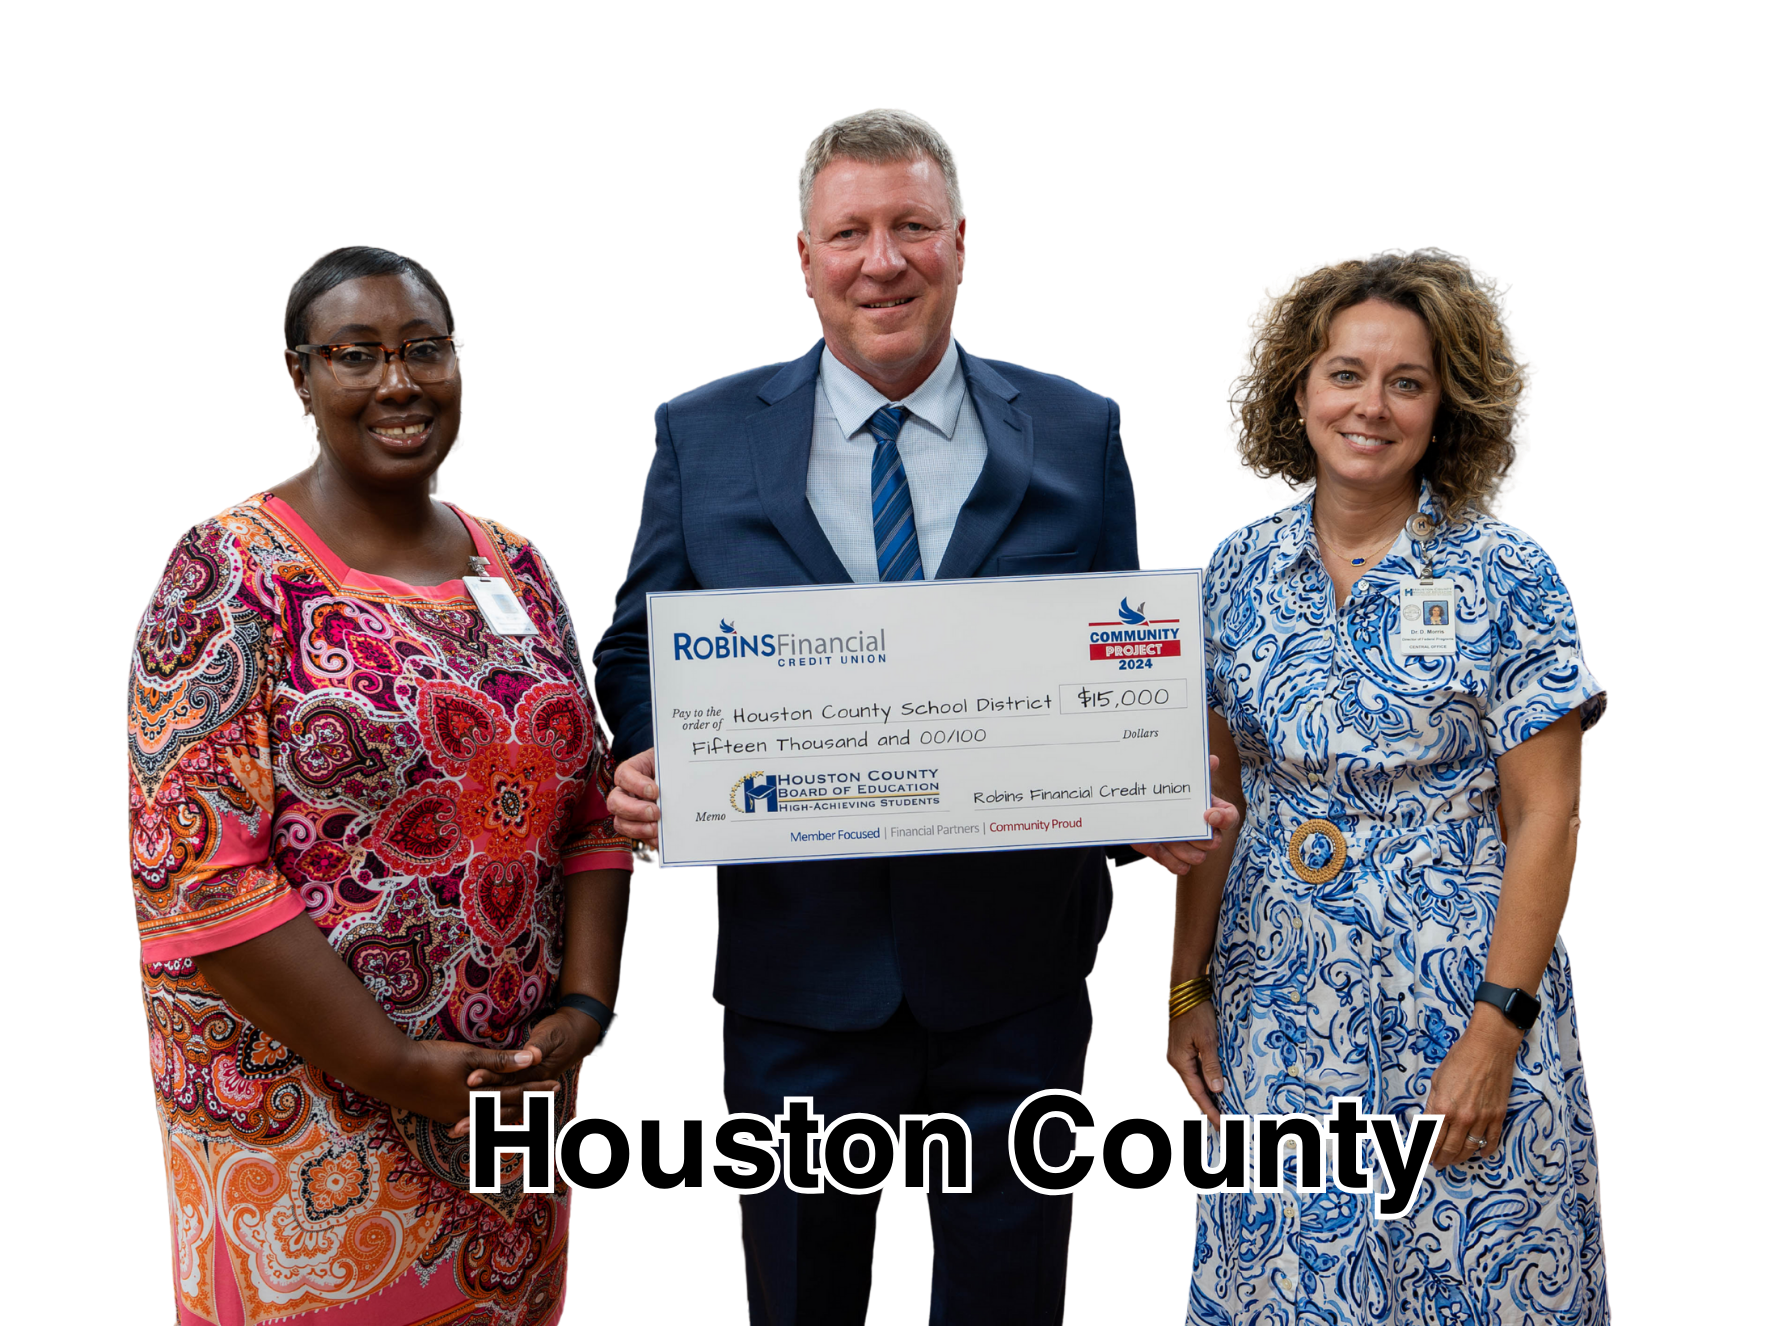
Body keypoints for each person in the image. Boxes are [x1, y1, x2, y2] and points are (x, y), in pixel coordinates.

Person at [592, 107, 1234, 1322]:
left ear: (959, 242)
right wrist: (649, 756)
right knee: (803, 1301)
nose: (881, 261)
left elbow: (1121, 657)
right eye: (850, 233)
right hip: (792, 971)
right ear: (803, 256)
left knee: (1007, 1301)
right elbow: (635, 643)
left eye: (910, 229)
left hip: (1019, 974)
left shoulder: (1078, 426)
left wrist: (1143, 784)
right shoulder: (701, 430)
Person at [126, 244, 634, 1326]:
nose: (398, 382)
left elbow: (588, 812)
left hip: (514, 1099)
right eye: (355, 354)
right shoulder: (228, 570)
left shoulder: (519, 567)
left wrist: (585, 1006)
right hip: (312, 1125)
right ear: (299, 380)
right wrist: (395, 1066)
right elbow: (197, 876)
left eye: (424, 349)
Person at [1165, 249, 1608, 1322]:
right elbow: (1215, 804)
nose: (1371, 406)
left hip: (1459, 995)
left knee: (1479, 1274)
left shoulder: (1507, 570)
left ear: (1443, 406)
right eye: (1344, 374)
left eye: (1405, 382)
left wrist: (1497, 1028)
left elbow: (1547, 811)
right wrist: (1186, 990)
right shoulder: (1233, 570)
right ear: (1297, 393)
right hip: (1279, 1005)